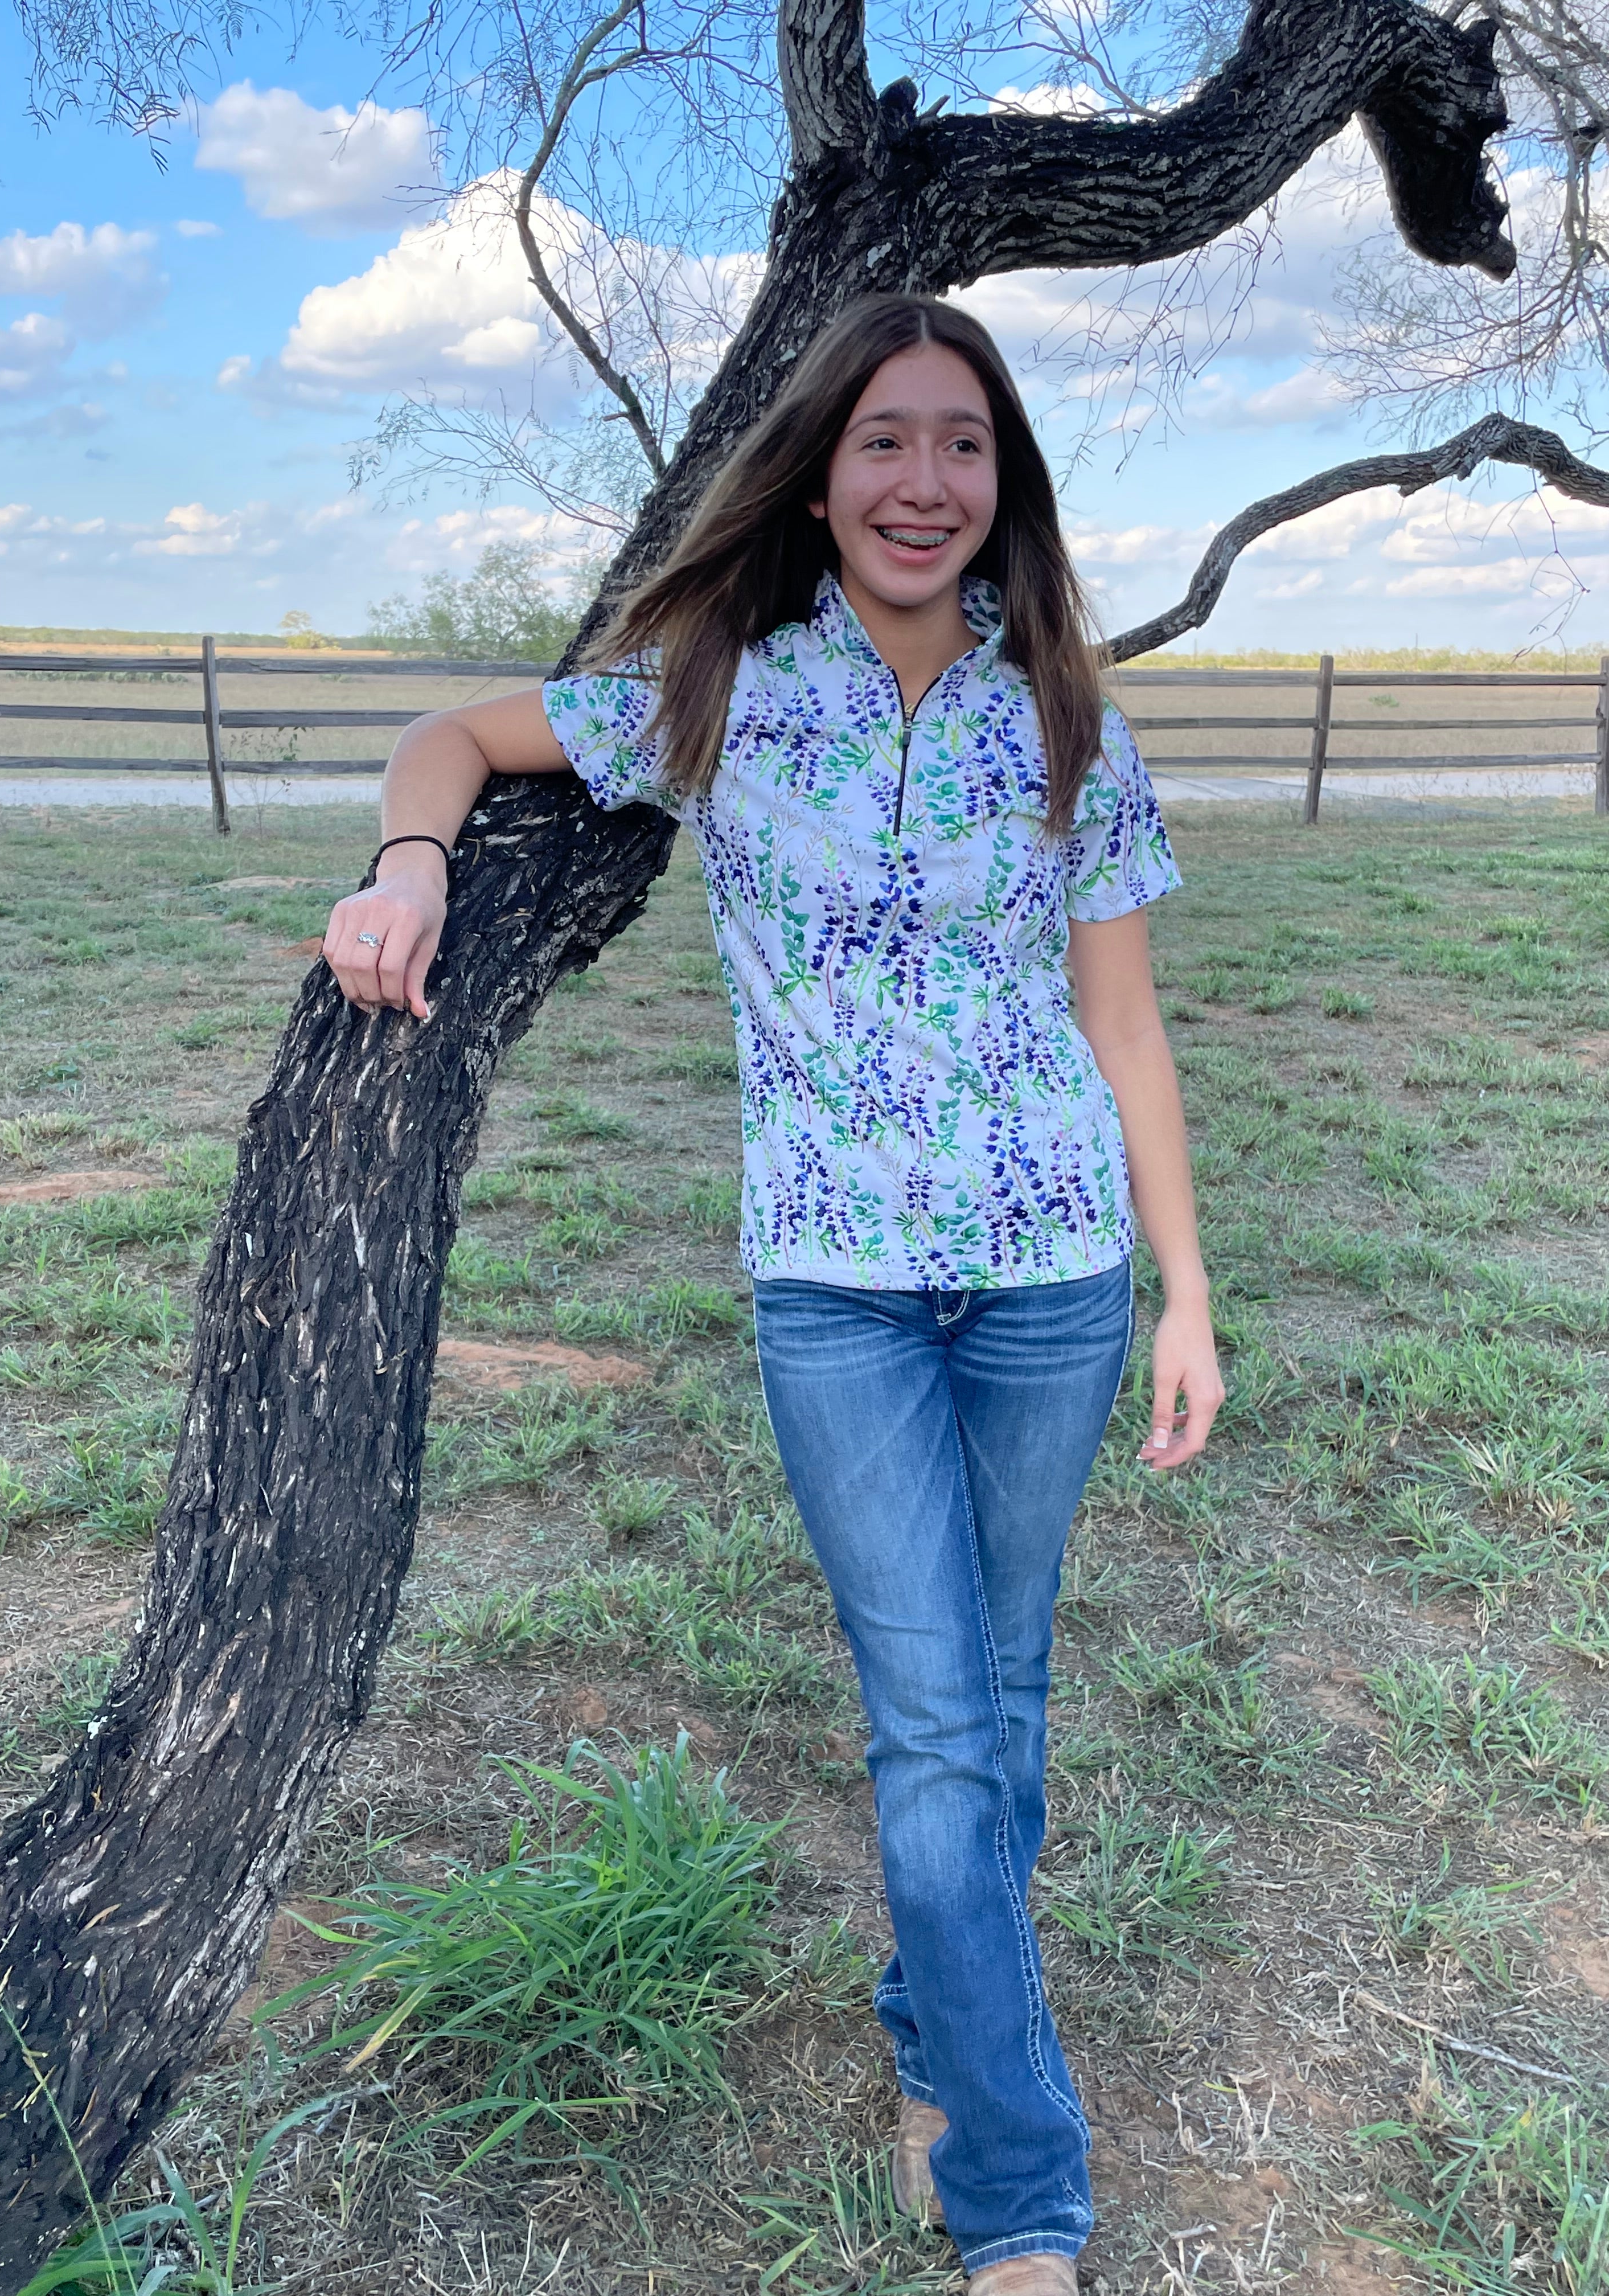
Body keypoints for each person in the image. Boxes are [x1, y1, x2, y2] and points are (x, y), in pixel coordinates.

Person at [323, 293, 1223, 2295]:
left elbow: (1131, 1033)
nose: (925, 481)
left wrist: (1185, 1296)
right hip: (836, 1289)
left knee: (1005, 1697)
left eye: (963, 446)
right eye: (886, 441)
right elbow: (457, 734)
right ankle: (1020, 2195)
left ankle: (939, 2033)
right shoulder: (722, 685)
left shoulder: (1064, 710)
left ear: (1006, 487)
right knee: (933, 1728)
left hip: (1057, 1275)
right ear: (821, 474)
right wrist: (408, 864)